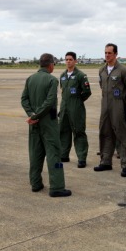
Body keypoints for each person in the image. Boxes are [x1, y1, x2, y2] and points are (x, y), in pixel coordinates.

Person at [21, 53, 72, 197]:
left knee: (35, 153)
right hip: (48, 124)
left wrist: (31, 115)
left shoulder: (30, 79)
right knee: (54, 154)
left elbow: (24, 100)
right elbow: (50, 102)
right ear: (50, 65)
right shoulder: (51, 80)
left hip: (34, 124)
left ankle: (35, 183)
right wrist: (36, 116)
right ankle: (57, 187)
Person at [95, 43, 126, 177]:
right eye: (105, 53)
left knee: (122, 134)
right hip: (105, 106)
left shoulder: (123, 70)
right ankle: (105, 161)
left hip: (118, 105)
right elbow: (103, 86)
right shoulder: (102, 70)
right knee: (105, 132)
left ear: (116, 54)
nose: (107, 55)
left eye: (110, 53)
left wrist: (123, 99)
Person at [59, 52, 92, 168]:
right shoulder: (62, 75)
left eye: (70, 59)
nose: (68, 61)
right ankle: (64, 154)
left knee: (79, 132)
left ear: (75, 61)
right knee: (63, 131)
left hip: (76, 109)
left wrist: (78, 101)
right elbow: (63, 91)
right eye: (66, 59)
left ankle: (82, 158)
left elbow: (87, 92)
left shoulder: (80, 75)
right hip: (64, 108)